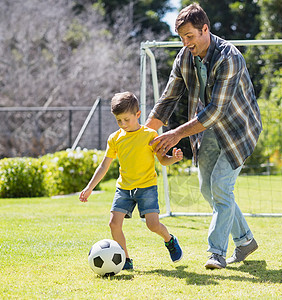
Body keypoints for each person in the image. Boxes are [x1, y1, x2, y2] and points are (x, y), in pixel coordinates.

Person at [145, 3, 262, 269]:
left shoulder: (229, 57)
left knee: (221, 187)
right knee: (207, 189)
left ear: (205, 29)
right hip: (208, 130)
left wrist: (175, 134)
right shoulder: (185, 56)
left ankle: (216, 253)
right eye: (182, 38)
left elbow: (215, 111)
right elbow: (168, 99)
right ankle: (245, 241)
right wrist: (143, 135)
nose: (186, 43)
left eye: (190, 36)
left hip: (239, 129)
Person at [80, 91, 183, 270]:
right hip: (124, 188)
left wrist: (173, 158)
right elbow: (104, 166)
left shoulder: (150, 135)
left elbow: (163, 160)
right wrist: (89, 188)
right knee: (113, 224)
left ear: (138, 115)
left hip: (147, 187)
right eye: (119, 120)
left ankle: (170, 240)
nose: (122, 124)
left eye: (126, 119)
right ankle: (125, 259)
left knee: (153, 225)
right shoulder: (115, 138)